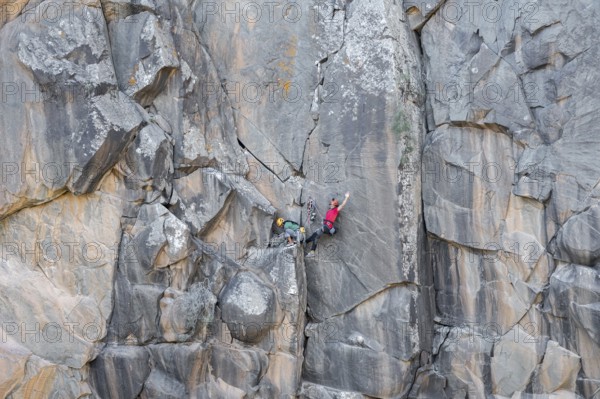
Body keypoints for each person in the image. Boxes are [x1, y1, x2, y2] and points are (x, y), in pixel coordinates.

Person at [305, 192, 350, 257]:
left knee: (320, 230)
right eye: (330, 204)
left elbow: (342, 205)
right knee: (316, 235)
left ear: (334, 205)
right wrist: (324, 221)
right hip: (325, 226)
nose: (330, 205)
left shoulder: (336, 210)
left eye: (331, 205)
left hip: (328, 228)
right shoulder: (329, 211)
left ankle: (308, 246)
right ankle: (309, 247)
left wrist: (346, 197)